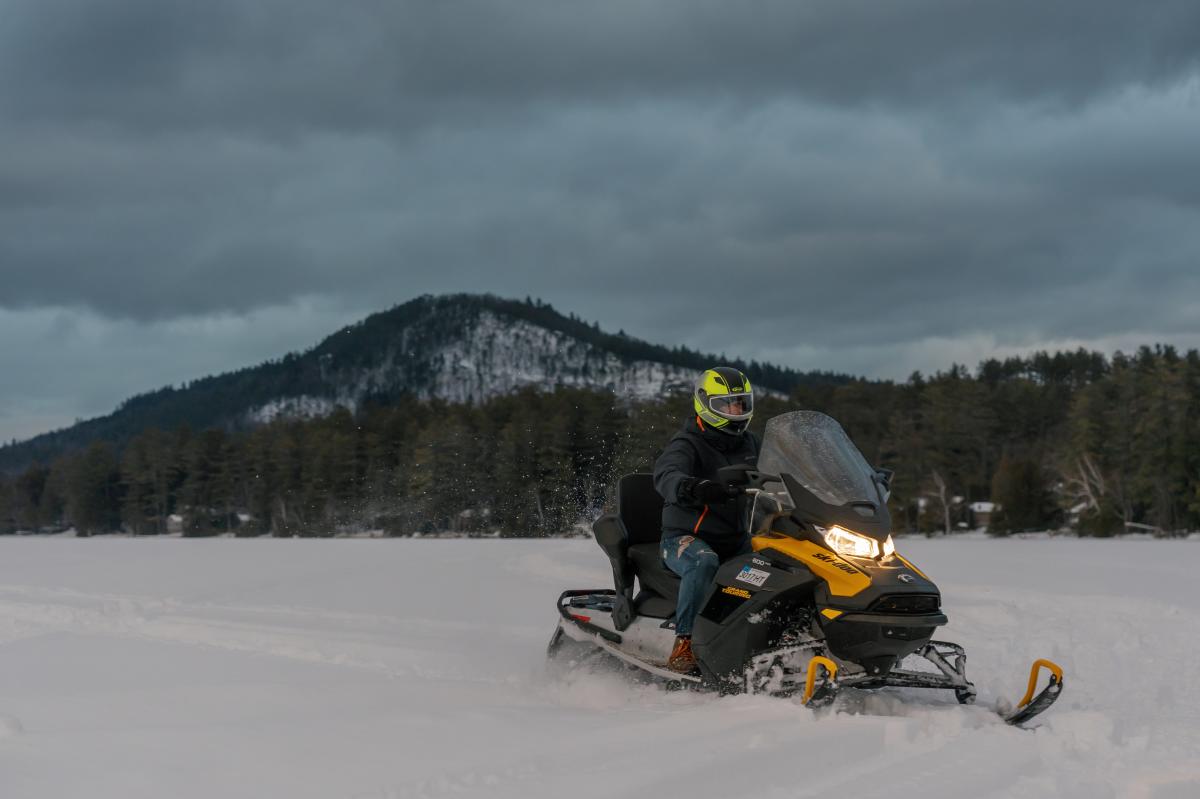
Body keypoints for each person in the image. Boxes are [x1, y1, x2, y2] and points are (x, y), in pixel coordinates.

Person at [653, 366, 760, 673]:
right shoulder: (687, 442)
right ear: (706, 403)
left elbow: (786, 470)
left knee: (784, 564)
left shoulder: (751, 443)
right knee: (703, 562)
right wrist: (693, 487)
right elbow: (667, 474)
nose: (736, 411)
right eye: (728, 404)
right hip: (683, 539)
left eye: (741, 403)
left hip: (736, 538)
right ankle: (684, 642)